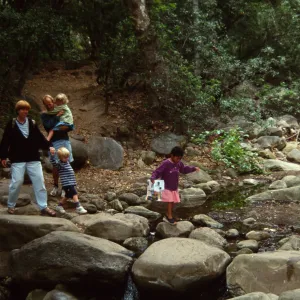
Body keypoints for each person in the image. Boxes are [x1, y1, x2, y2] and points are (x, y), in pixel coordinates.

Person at [0, 100, 56, 216]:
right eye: (22, 109)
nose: (25, 111)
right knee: (17, 182)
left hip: (33, 158)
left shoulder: (32, 123)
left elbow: (40, 138)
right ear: (18, 110)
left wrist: (49, 146)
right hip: (17, 158)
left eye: (26, 109)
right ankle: (11, 205)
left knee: (39, 182)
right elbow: (5, 141)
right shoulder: (12, 124)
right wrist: (3, 156)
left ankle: (43, 207)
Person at [150, 146, 200, 224]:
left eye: (180, 158)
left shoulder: (179, 163)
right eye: (177, 158)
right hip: (166, 186)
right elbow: (157, 172)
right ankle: (169, 216)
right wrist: (153, 180)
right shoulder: (166, 163)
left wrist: (193, 168)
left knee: (173, 201)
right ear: (172, 155)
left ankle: (168, 214)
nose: (178, 160)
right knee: (170, 201)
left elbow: (184, 169)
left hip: (174, 186)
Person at [41, 94, 74, 197]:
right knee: (56, 165)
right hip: (53, 142)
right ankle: (55, 186)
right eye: (47, 104)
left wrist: (66, 127)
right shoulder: (45, 115)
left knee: (66, 164)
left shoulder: (61, 109)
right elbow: (48, 126)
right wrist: (57, 116)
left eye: (50, 103)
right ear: (44, 104)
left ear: (53, 102)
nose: (49, 106)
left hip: (64, 139)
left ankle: (66, 188)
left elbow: (69, 125)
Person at [49, 146, 87, 214]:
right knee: (74, 193)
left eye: (67, 157)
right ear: (60, 158)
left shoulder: (66, 163)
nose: (67, 158)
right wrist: (52, 155)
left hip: (71, 182)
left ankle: (59, 206)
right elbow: (53, 162)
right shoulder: (60, 164)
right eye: (65, 157)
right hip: (67, 183)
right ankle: (78, 207)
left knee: (67, 196)